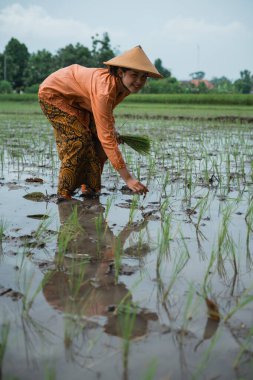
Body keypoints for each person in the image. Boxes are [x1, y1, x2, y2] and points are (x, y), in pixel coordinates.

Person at [38, 45, 162, 200]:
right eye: (134, 75)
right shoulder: (105, 89)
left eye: (143, 77)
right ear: (120, 72)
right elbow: (106, 136)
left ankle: (90, 188)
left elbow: (106, 112)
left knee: (99, 141)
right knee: (79, 140)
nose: (138, 81)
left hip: (80, 101)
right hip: (54, 94)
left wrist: (112, 128)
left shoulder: (124, 86)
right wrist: (128, 179)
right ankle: (64, 193)